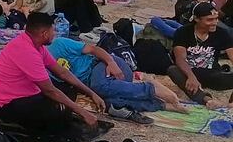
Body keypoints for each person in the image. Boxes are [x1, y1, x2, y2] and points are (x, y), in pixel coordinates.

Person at [0, 13, 104, 133]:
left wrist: (91, 94)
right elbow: (49, 90)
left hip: (29, 94)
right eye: (53, 30)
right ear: (44, 34)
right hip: (8, 105)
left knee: (69, 89)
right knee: (56, 111)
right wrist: (83, 112)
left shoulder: (37, 46)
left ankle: (60, 113)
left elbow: (62, 73)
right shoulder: (27, 51)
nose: (54, 34)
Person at [48, 36, 186, 123]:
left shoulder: (59, 44)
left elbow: (94, 49)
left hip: (104, 66)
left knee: (99, 85)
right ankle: (160, 105)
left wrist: (111, 62)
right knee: (110, 104)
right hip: (102, 85)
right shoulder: (41, 65)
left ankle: (151, 89)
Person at [168, 2, 233, 106]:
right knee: (173, 70)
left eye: (216, 19)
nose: (215, 22)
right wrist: (191, 76)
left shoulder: (222, 33)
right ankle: (206, 100)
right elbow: (180, 59)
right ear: (197, 19)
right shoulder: (183, 32)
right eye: (209, 20)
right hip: (190, 73)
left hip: (214, 74)